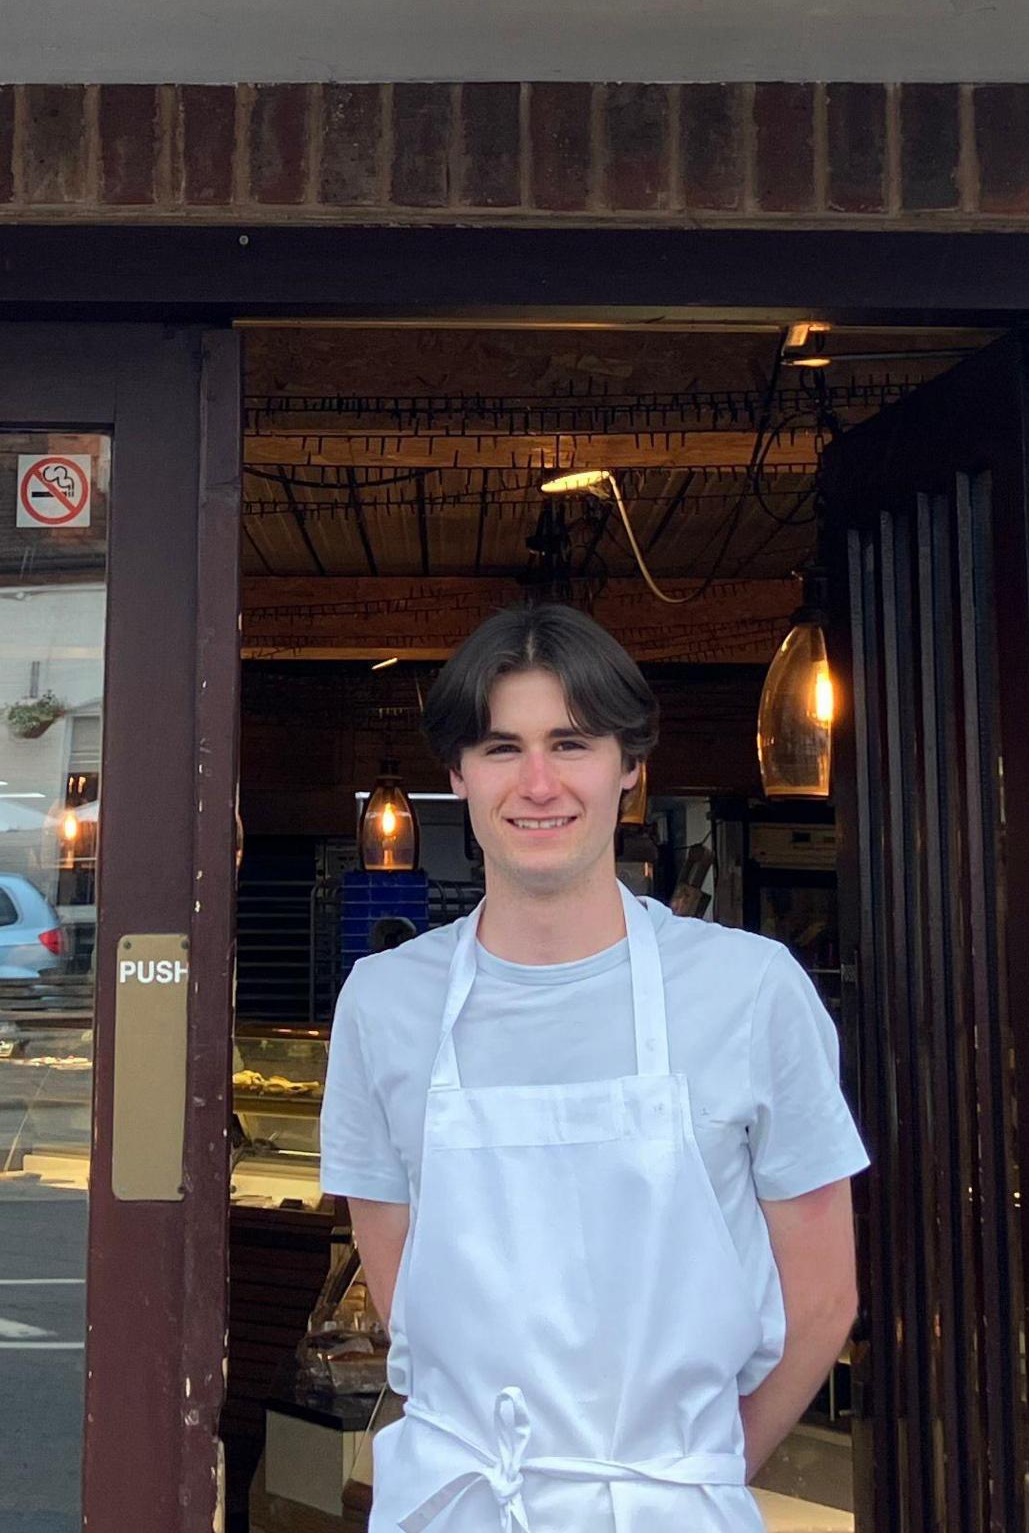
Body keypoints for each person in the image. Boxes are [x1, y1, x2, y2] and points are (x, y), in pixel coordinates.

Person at [320, 602, 865, 1531]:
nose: (538, 783)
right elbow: (399, 1278)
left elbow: (823, 1299)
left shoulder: (750, 990)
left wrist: (695, 1469)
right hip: (458, 1506)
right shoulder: (383, 1002)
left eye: (571, 744)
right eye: (501, 748)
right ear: (457, 774)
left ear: (630, 768)